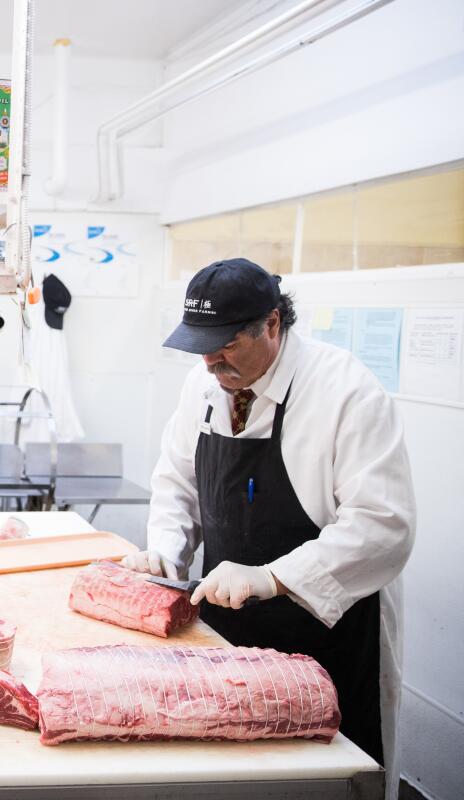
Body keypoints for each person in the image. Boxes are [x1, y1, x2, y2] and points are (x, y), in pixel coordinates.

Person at [124, 258, 414, 797]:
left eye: (226, 345)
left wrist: (273, 578)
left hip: (328, 635)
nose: (210, 361)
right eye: (199, 345)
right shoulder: (204, 382)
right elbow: (176, 483)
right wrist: (165, 551)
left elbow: (383, 525)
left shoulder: (346, 391)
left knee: (328, 779)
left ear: (273, 324)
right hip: (229, 630)